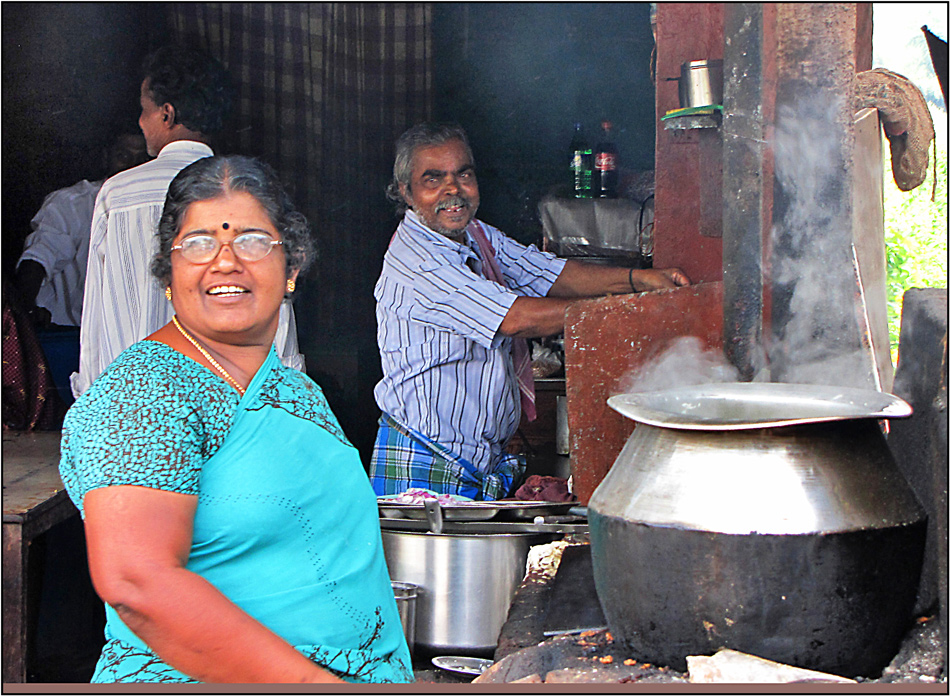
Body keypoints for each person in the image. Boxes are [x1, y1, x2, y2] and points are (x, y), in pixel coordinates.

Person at [59, 155, 414, 684]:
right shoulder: (147, 391)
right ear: (167, 273)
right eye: (199, 243)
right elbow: (137, 582)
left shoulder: (296, 391)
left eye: (252, 240)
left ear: (291, 267)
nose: (225, 262)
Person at [370, 122, 690, 500]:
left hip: (475, 462)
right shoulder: (417, 261)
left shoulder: (476, 236)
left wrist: (640, 280)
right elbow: (514, 318)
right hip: (425, 466)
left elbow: (550, 274)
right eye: (433, 179)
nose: (453, 189)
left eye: (463, 174)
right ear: (406, 192)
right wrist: (625, 309)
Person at [71, 45, 304, 399]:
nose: (140, 121)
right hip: (229, 404)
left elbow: (95, 319)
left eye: (143, 110)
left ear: (166, 113)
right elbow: (276, 303)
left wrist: (91, 397)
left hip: (132, 406)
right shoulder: (248, 193)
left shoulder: (117, 195)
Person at [14, 129, 149, 329]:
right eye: (123, 156)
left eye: (141, 159)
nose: (132, 166)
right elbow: (37, 260)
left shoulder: (160, 208)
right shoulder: (72, 203)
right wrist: (24, 313)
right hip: (68, 337)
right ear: (106, 158)